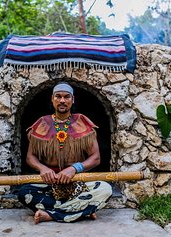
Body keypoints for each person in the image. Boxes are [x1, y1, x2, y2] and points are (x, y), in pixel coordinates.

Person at [18, 82, 112, 224]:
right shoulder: (41, 123)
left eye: (66, 97)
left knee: (105, 189)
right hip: (50, 184)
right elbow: (30, 157)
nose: (62, 100)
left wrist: (74, 168)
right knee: (24, 192)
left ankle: (50, 215)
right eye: (58, 96)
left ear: (72, 100)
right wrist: (43, 169)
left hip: (77, 182)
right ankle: (82, 211)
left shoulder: (83, 123)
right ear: (52, 99)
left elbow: (96, 158)